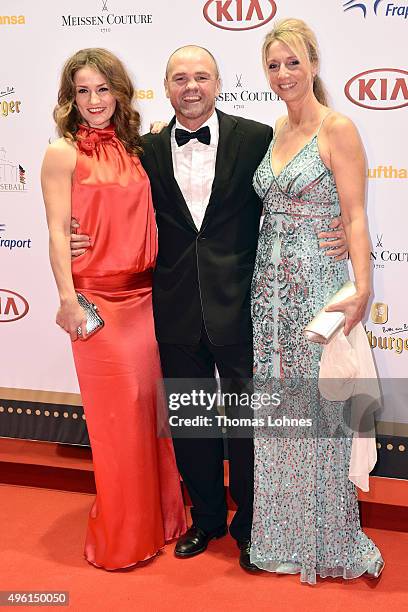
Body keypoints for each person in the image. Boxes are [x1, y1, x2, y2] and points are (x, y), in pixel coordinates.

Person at [70, 45, 347, 571]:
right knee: (192, 421)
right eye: (179, 78)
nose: (190, 87)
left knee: (246, 426)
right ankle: (206, 520)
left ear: (218, 82)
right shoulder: (144, 149)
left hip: (244, 307)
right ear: (167, 87)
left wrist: (333, 226)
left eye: (200, 77)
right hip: (171, 308)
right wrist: (69, 232)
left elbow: (295, 188)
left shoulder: (256, 138)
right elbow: (105, 199)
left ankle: (249, 525)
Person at [41, 48, 186, 571]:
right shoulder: (63, 153)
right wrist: (66, 300)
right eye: (83, 91)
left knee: (150, 416)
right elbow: (58, 232)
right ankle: (124, 536)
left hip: (146, 299)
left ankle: (164, 520)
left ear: (119, 93)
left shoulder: (135, 148)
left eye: (103, 89)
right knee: (118, 423)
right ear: (70, 98)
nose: (94, 100)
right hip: (96, 304)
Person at [249, 19, 383, 583]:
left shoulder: (339, 127)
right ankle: (278, 537)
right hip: (268, 298)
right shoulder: (276, 130)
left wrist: (362, 290)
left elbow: (354, 216)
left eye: (293, 62)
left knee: (322, 412)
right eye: (274, 65)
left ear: (314, 64)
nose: (284, 74)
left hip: (319, 291)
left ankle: (326, 540)